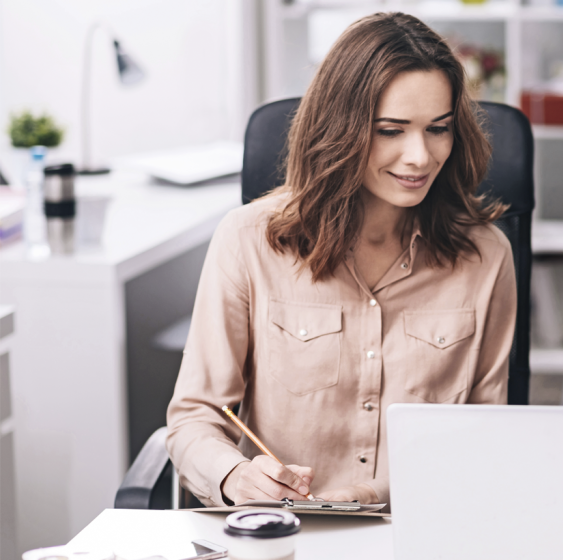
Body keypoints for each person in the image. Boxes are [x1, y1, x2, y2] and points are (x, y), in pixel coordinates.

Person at [165, 12, 517, 508]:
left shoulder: (485, 256)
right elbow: (194, 418)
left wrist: (371, 495)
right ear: (342, 128)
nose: (420, 156)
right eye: (391, 130)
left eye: (437, 129)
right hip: (283, 532)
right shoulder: (248, 240)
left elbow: (485, 433)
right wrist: (235, 476)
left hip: (415, 527)